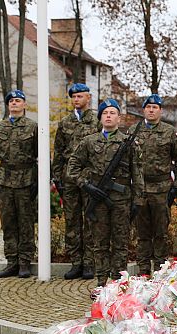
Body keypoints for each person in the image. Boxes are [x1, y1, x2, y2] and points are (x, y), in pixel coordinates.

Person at [67, 99, 144, 287]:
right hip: (97, 199)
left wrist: (138, 200)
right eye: (105, 113)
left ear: (119, 118)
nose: (108, 116)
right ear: (100, 118)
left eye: (112, 113)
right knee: (99, 243)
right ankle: (101, 282)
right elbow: (72, 167)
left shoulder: (128, 142)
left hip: (121, 200)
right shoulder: (89, 142)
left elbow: (138, 173)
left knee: (120, 243)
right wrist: (86, 186)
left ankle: (118, 283)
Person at [0, 90, 38, 278]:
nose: (14, 103)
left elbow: (41, 156)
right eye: (11, 101)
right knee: (8, 222)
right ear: (8, 105)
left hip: (25, 181)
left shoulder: (32, 127)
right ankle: (12, 261)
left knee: (25, 222)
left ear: (24, 104)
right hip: (5, 181)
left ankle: (25, 262)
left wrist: (38, 181)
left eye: (18, 100)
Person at [132, 94, 177, 275]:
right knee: (143, 233)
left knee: (161, 233)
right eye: (148, 107)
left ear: (160, 111)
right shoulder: (134, 130)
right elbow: (126, 161)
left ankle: (160, 271)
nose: (151, 110)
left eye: (155, 107)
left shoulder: (169, 132)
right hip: (140, 189)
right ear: (143, 110)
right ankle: (144, 270)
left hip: (162, 189)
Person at [52, 83, 101, 280]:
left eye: (80, 96)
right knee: (72, 221)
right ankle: (76, 263)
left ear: (88, 98)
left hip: (89, 178)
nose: (76, 100)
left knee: (90, 220)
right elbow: (58, 153)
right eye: (74, 97)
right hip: (69, 179)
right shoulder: (65, 123)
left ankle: (89, 263)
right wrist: (57, 178)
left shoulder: (96, 121)